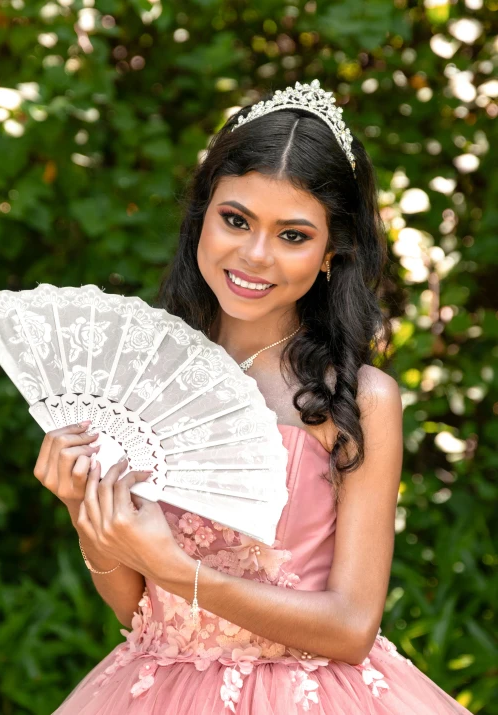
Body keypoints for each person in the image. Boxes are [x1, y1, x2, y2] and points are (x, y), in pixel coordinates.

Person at [36, 81, 472, 713]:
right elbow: (136, 610)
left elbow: (352, 627)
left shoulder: (359, 399)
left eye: (293, 235)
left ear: (331, 252)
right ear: (202, 216)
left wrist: (180, 571)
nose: (256, 255)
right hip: (157, 686)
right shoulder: (139, 384)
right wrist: (88, 513)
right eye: (235, 220)